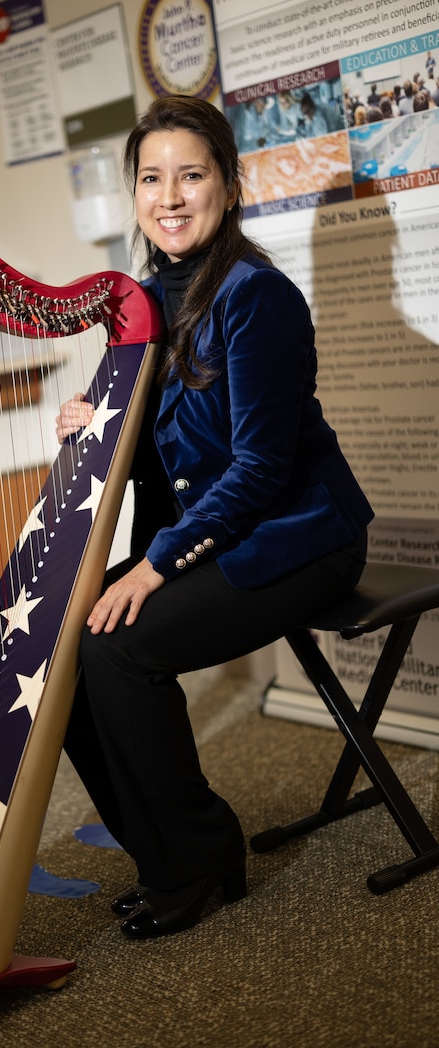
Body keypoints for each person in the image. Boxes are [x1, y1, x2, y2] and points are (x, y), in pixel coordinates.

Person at [56, 96, 373, 941]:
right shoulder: (143, 304)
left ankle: (199, 857)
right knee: (62, 648)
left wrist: (157, 566)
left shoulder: (254, 297)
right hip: (210, 533)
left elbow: (264, 468)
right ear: (135, 195)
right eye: (152, 178)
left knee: (118, 646)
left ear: (228, 188)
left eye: (191, 175)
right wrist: (90, 417)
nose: (170, 194)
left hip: (301, 534)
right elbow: (141, 429)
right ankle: (162, 851)